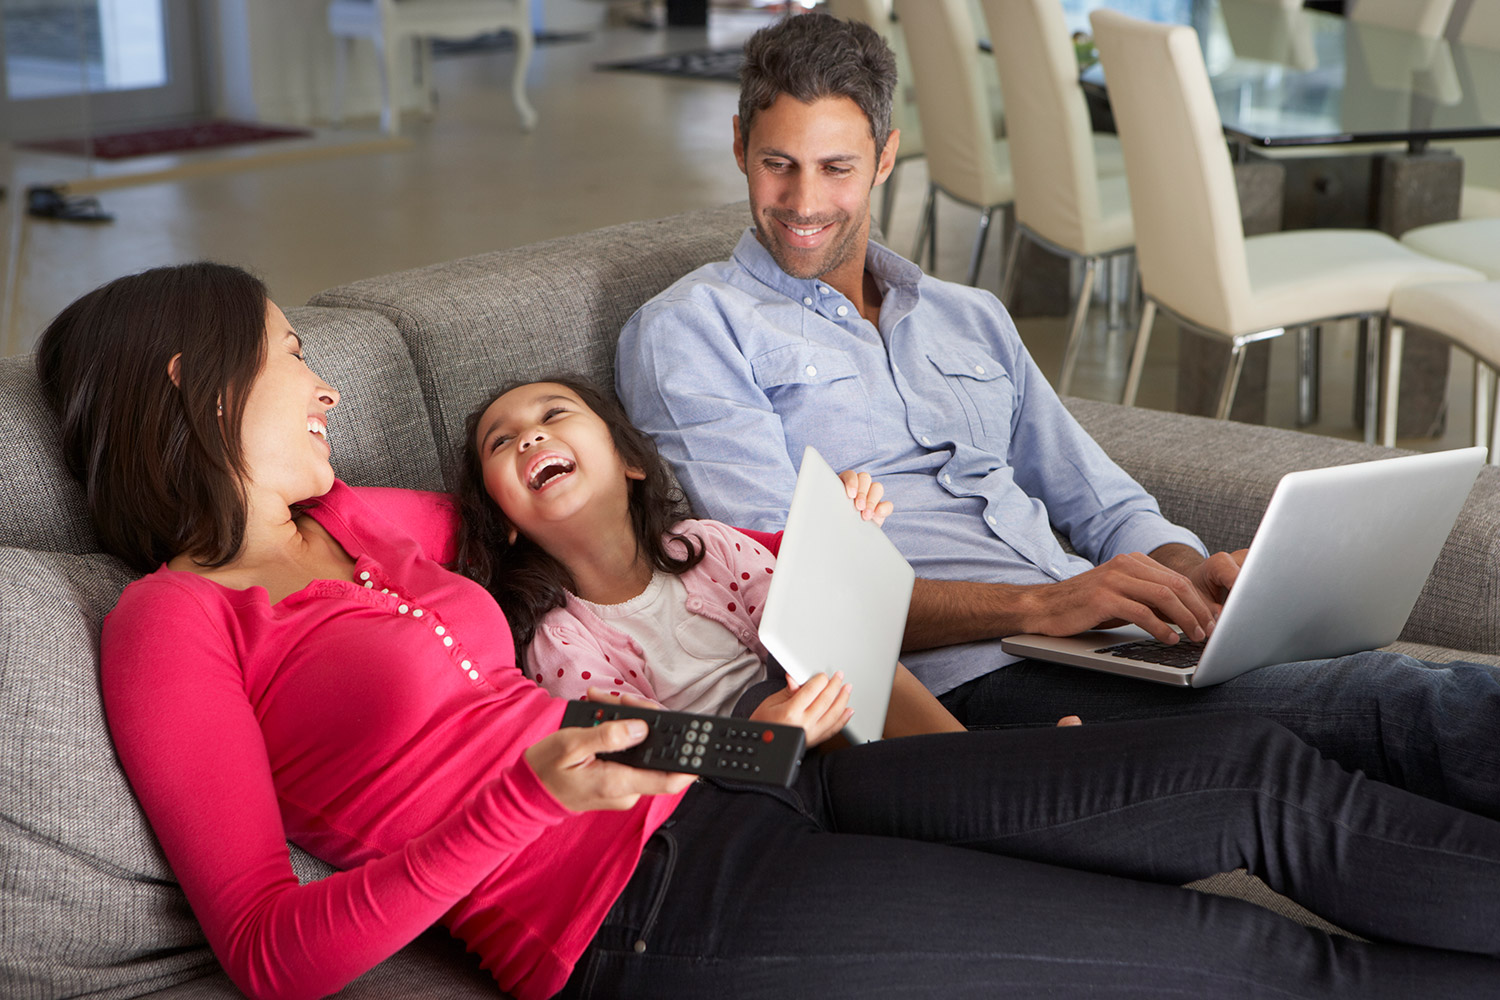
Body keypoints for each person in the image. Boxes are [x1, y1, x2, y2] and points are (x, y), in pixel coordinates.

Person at [38, 266, 1500, 1000]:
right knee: (1251, 968)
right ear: (198, 381)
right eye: (295, 357)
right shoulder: (172, 626)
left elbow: (593, 517)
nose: (328, 389)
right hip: (650, 918)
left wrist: (802, 583)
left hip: (760, 768)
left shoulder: (368, 524)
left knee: (1253, 776)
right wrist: (520, 801)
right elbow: (268, 951)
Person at [613, 12, 1500, 819]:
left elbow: (1103, 505)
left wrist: (1194, 575)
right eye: (779, 164)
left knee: (1389, 699)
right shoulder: (693, 332)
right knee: (1392, 700)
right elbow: (791, 594)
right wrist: (1045, 603)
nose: (804, 204)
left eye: (836, 167)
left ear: (885, 157)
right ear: (738, 146)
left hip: (1095, 639)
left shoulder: (969, 315)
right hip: (966, 686)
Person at [452, 374, 967, 743]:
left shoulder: (709, 545)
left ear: (630, 461)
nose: (530, 437)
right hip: (741, 781)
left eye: (553, 413)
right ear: (505, 522)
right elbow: (642, 753)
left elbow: (812, 628)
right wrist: (762, 738)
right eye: (501, 441)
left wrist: (836, 539)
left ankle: (971, 760)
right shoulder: (558, 637)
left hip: (822, 710)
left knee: (849, 667)